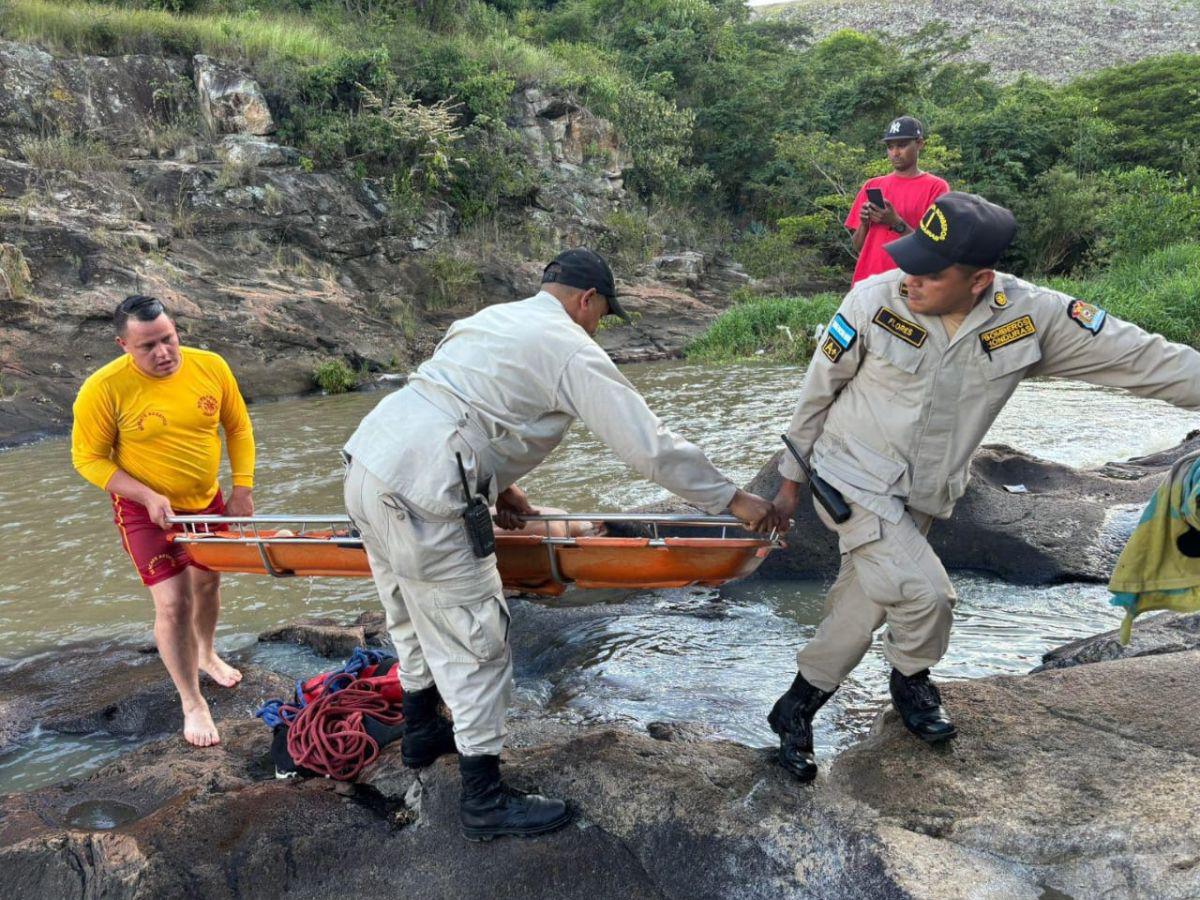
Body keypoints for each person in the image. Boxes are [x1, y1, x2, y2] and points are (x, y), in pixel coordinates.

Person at [343, 248, 778, 840]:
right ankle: (483, 797)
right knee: (474, 634)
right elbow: (647, 445)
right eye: (602, 312)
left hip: (370, 459)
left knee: (407, 608)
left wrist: (503, 486)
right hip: (426, 488)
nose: (598, 324)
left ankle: (422, 731)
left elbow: (458, 402)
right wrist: (733, 500)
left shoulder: (488, 318)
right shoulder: (572, 347)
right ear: (585, 300)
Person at [769, 192, 1200, 782]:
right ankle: (911, 680)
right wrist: (789, 483)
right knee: (926, 596)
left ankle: (794, 708)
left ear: (979, 280)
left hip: (925, 490)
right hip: (852, 476)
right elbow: (816, 391)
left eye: (930, 269)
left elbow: (1141, 357)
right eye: (910, 259)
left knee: (864, 604)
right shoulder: (874, 300)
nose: (910, 277)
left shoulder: (1029, 317)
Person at [72, 295, 256, 748]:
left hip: (207, 499)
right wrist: (145, 494)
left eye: (168, 339)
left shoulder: (210, 366)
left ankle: (207, 654)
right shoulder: (103, 389)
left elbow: (238, 427)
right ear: (123, 345)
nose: (163, 353)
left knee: (208, 585)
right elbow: (87, 459)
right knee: (173, 602)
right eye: (148, 346)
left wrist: (242, 488)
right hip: (143, 508)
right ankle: (192, 702)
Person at [846, 116, 950, 285]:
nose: (895, 153)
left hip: (908, 288)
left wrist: (896, 223)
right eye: (890, 147)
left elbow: (933, 250)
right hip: (865, 286)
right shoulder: (872, 185)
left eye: (902, 145)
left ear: (919, 144)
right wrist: (865, 223)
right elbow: (858, 247)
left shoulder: (937, 188)